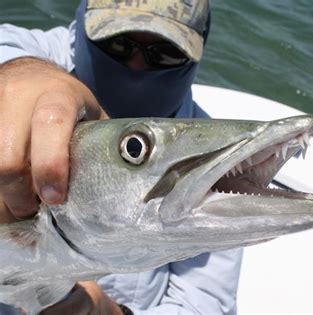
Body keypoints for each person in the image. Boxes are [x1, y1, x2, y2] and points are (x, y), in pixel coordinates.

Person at [0, 0, 242, 314]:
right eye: (117, 44)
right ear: (81, 31)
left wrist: (108, 311)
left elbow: (205, 303)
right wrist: (19, 77)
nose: (136, 66)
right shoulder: (42, 55)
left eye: (165, 52)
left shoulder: (206, 154)